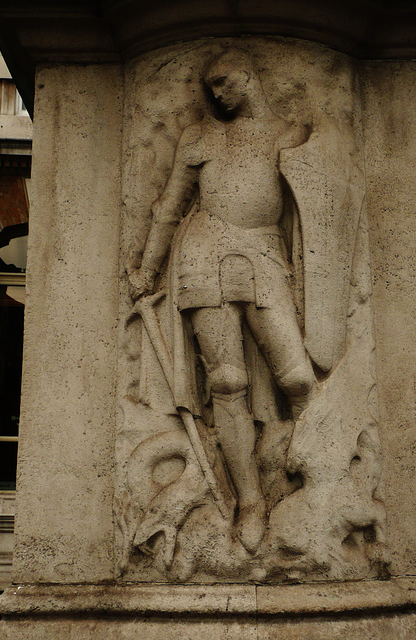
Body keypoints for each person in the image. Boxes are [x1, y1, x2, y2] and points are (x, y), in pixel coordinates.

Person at [128, 48, 314, 553]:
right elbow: (170, 207)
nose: (217, 94)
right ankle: (250, 501)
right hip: (204, 253)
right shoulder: (199, 137)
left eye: (225, 83)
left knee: (297, 376)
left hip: (264, 253)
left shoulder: (287, 133)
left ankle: (316, 473)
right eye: (210, 87)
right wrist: (147, 269)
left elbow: (316, 198)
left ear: (250, 78)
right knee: (227, 381)